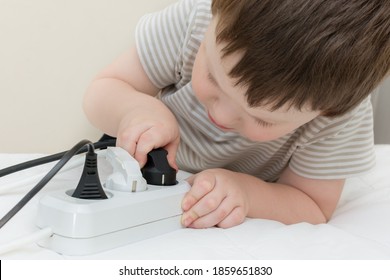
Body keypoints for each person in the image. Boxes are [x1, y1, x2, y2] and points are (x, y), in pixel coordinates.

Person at [83, 0, 390, 229]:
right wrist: (138, 110)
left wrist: (247, 193)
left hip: (242, 184)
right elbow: (104, 89)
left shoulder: (338, 116)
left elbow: (313, 206)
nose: (222, 114)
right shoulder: (197, 21)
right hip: (145, 153)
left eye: (263, 119)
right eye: (214, 79)